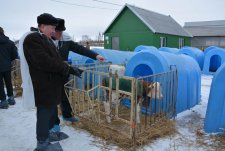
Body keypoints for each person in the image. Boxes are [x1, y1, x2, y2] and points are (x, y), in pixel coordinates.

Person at [22, 13, 82, 151]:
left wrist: (69, 68)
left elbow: (56, 60)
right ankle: (42, 143)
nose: (54, 31)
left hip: (51, 84)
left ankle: (48, 134)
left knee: (50, 111)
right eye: (51, 28)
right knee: (44, 113)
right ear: (42, 26)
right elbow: (45, 62)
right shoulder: (32, 39)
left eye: (55, 28)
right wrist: (66, 68)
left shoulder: (45, 39)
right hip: (43, 85)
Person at [50, 18, 105, 132]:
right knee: (53, 99)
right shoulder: (46, 40)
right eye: (58, 31)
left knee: (65, 93)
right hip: (51, 74)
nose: (60, 34)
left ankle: (67, 115)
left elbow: (79, 49)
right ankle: (54, 123)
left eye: (62, 31)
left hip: (63, 72)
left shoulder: (65, 39)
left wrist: (95, 56)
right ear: (52, 30)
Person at [0, 27, 18, 109]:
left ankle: (3, 101)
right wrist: (8, 60)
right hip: (7, 66)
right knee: (8, 82)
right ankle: (11, 99)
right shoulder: (10, 42)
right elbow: (15, 54)